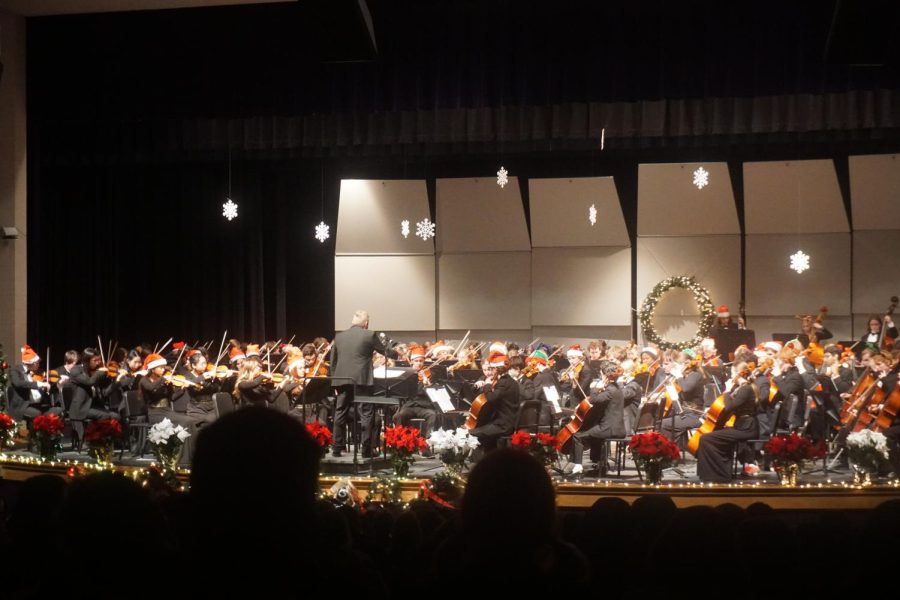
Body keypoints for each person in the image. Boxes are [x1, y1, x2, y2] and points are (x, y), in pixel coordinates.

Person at [329, 309, 397, 458]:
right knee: (366, 414)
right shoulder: (369, 334)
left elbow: (333, 361)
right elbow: (387, 352)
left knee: (340, 412)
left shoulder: (339, 336)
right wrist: (394, 350)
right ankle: (366, 450)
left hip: (341, 380)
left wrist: (334, 382)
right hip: (362, 380)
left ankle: (336, 448)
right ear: (366, 323)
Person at [696, 361, 760, 483]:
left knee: (706, 439)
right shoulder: (744, 388)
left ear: (738, 374)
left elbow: (730, 407)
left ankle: (718, 474)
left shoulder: (745, 389)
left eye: (732, 374)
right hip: (743, 426)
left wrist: (727, 390)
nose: (731, 377)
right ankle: (716, 472)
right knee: (710, 436)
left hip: (746, 429)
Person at [563, 360, 625, 477]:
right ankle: (598, 464)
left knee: (578, 436)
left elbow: (593, 399)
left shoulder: (610, 391)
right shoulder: (617, 388)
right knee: (594, 435)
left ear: (605, 376)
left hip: (609, 429)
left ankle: (578, 467)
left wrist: (596, 388)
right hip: (615, 427)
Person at [470, 351, 519, 453]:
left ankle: (486, 460)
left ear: (497, 369)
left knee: (470, 433)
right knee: (484, 434)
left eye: (491, 369)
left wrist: (487, 385)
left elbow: (491, 398)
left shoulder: (503, 383)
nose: (490, 372)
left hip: (503, 425)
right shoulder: (511, 381)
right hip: (506, 422)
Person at [393, 345, 438, 439]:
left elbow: (434, 393)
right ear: (412, 361)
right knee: (399, 416)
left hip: (424, 406)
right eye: (416, 361)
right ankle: (403, 441)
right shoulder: (406, 374)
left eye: (421, 361)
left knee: (433, 415)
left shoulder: (430, 374)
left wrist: (426, 384)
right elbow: (401, 391)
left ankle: (427, 442)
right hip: (409, 405)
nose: (419, 363)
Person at [7, 344, 62, 421]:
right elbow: (18, 383)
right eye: (36, 363)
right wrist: (39, 384)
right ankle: (36, 432)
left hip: (38, 404)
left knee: (58, 410)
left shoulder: (35, 372)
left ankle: (47, 431)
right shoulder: (15, 371)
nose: (39, 365)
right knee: (37, 413)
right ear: (28, 363)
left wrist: (53, 385)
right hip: (23, 405)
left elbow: (44, 389)